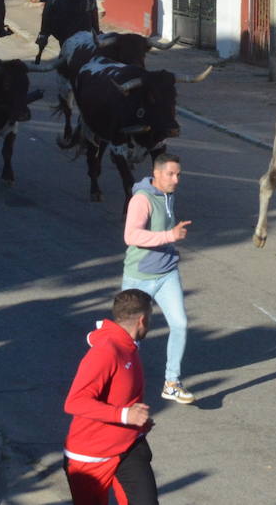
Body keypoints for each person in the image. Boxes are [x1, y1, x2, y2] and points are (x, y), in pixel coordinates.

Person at [62, 288, 161, 505]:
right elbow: (74, 402)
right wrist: (125, 415)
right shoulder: (107, 351)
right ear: (142, 320)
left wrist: (137, 422)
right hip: (91, 458)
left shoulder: (128, 346)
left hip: (129, 447)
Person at [122, 152, 195, 405]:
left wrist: (170, 240)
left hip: (167, 273)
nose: (176, 179)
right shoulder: (141, 199)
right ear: (156, 173)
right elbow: (131, 236)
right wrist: (169, 236)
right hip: (139, 276)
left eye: (178, 175)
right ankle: (120, 386)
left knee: (180, 324)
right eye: (170, 174)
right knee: (129, 338)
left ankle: (172, 382)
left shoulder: (168, 195)